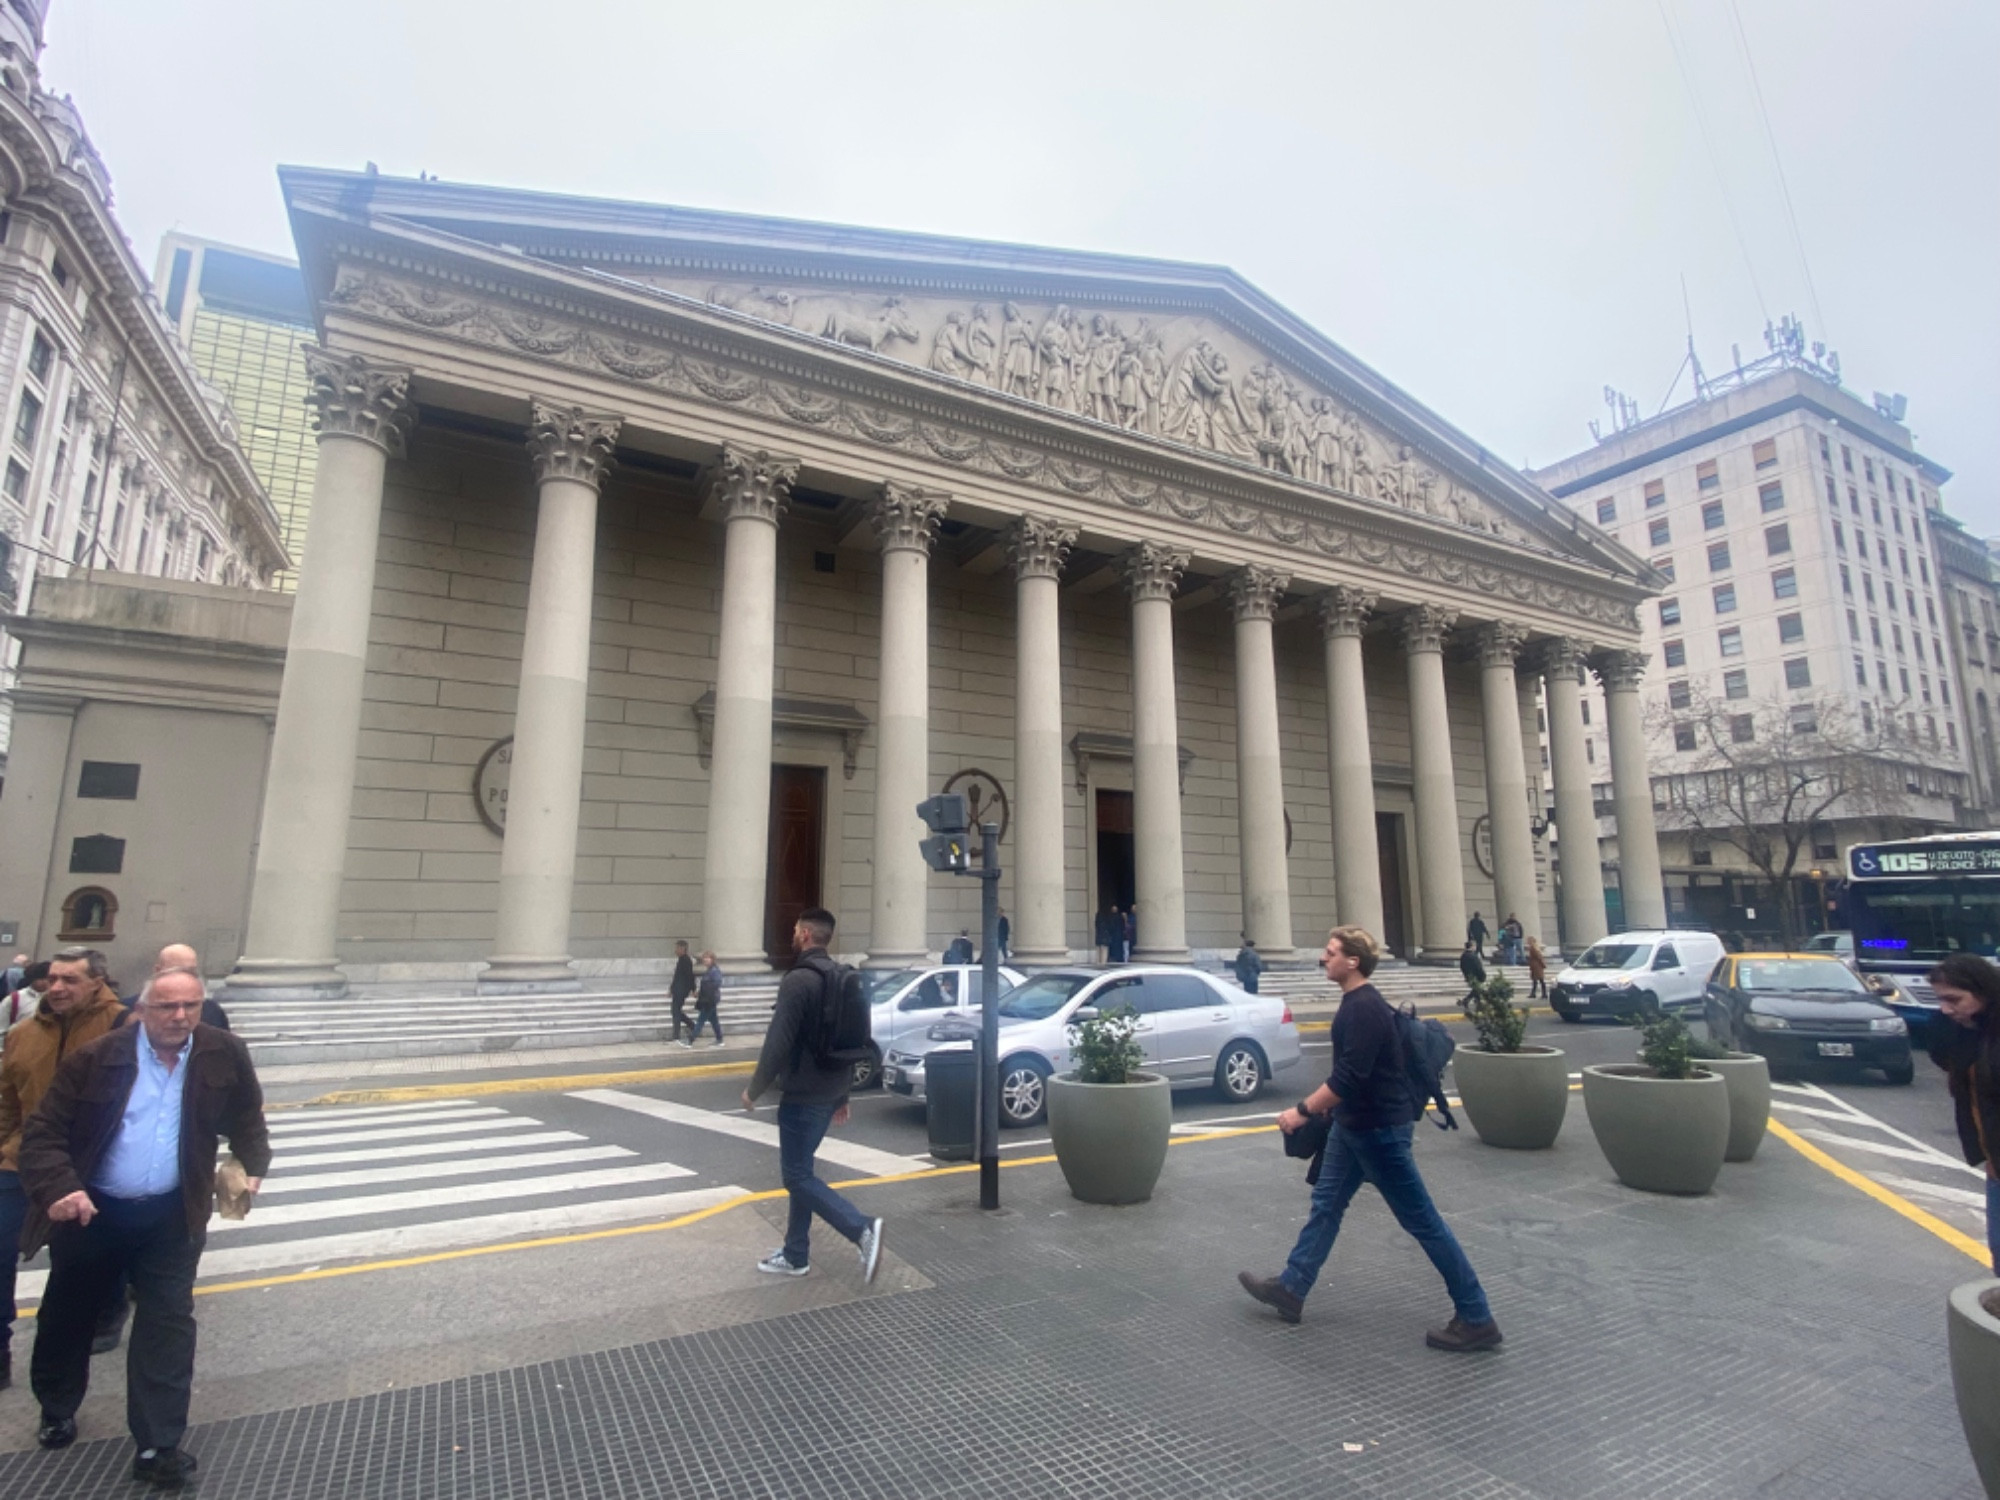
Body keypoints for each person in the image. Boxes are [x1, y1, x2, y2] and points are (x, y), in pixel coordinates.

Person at [20, 965, 270, 1485]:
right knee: (70, 1313)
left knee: (168, 1325)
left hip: (172, 1215)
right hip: (95, 1211)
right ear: (141, 1009)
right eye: (167, 1007)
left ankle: (158, 1445)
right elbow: (44, 1133)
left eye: (192, 1006)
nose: (181, 1017)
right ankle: (58, 1405)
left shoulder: (221, 1051)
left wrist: (252, 1165)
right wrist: (63, 1187)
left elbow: (248, 1114)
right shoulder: (97, 1058)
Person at [1237, 926, 1500, 1351]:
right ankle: (1292, 1286)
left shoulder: (1362, 1009)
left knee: (1423, 1221)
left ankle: (1476, 1315)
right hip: (1353, 1125)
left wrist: (1301, 1111)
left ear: (1352, 961)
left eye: (1331, 952)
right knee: (1326, 1205)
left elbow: (1349, 1078)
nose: (1324, 959)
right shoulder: (1356, 1005)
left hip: (1379, 1131)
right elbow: (1353, 1079)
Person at [0, 947, 128, 1388]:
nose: (56, 987)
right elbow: (7, 1099)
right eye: (53, 978)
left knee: (79, 1267)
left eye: (70, 980)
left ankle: (100, 1319)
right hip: (21, 1162)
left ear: (98, 982)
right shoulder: (22, 1032)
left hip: (88, 1164)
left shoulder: (124, 1027)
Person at [740, 907, 882, 1282]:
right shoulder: (841, 976)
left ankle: (860, 1228)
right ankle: (796, 1253)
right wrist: (843, 1094)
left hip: (803, 1096)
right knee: (802, 1171)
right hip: (830, 1090)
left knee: (798, 1177)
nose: (791, 933)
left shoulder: (799, 980)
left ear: (804, 934)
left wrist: (754, 1088)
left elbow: (778, 1042)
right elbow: (855, 1038)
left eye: (793, 928)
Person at [1925, 952, 2000, 1273]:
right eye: (1941, 1000)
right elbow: (1945, 1058)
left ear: (1982, 990)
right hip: (1996, 1167)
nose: (1946, 1009)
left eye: (1954, 999)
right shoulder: (1968, 1032)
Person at [120, 945, 229, 1032]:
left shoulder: (212, 1011)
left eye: (190, 972)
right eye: (166, 1007)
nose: (180, 1016)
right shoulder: (125, 1009)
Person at [4, 959, 50, 1036]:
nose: (45, 982)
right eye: (41, 978)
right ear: (32, 979)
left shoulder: (55, 999)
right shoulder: (15, 998)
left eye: (48, 979)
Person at [693, 950, 725, 1046]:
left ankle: (690, 1040)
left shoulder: (714, 971)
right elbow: (706, 986)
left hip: (710, 1000)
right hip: (707, 999)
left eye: (707, 958)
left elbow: (716, 984)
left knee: (700, 1021)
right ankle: (719, 1039)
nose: (705, 960)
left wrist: (706, 993)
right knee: (714, 1020)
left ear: (712, 959)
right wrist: (699, 993)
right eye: (704, 958)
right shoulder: (709, 971)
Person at [669, 940, 697, 1048]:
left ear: (682, 949)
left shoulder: (686, 960)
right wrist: (671, 989)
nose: (675, 950)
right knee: (675, 1011)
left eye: (677, 948)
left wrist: (693, 989)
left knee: (675, 1011)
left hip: (682, 990)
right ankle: (691, 1025)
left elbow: (690, 976)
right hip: (678, 989)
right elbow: (676, 976)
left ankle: (676, 1035)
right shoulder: (681, 960)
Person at [1459, 939, 1487, 1009]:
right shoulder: (1473, 956)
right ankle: (1467, 1000)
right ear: (1472, 946)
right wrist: (1482, 975)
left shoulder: (1463, 956)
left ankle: (1477, 1002)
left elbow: (1462, 966)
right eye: (1474, 946)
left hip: (1468, 975)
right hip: (1476, 976)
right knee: (1477, 989)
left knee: (1476, 990)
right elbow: (1478, 967)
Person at [1525, 937, 1548, 1003]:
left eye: (1529, 941)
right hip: (1536, 966)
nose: (1528, 942)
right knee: (1537, 980)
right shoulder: (1535, 948)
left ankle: (1542, 994)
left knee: (1539, 980)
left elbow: (1538, 957)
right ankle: (1536, 993)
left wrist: (1543, 964)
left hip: (1536, 966)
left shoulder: (1533, 948)